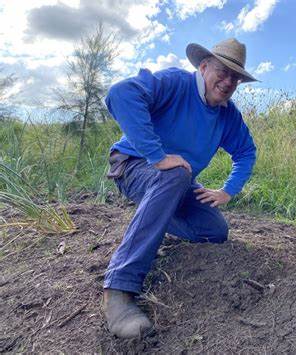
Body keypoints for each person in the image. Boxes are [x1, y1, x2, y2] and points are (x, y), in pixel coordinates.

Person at [103, 38, 258, 338]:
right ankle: (118, 289)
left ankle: (153, 215)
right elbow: (120, 94)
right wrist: (157, 156)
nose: (227, 82)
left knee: (214, 229)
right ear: (203, 67)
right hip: (132, 164)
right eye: (221, 72)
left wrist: (227, 191)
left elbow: (246, 152)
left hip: (175, 181)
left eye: (234, 77)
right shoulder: (175, 82)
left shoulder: (228, 115)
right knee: (174, 174)